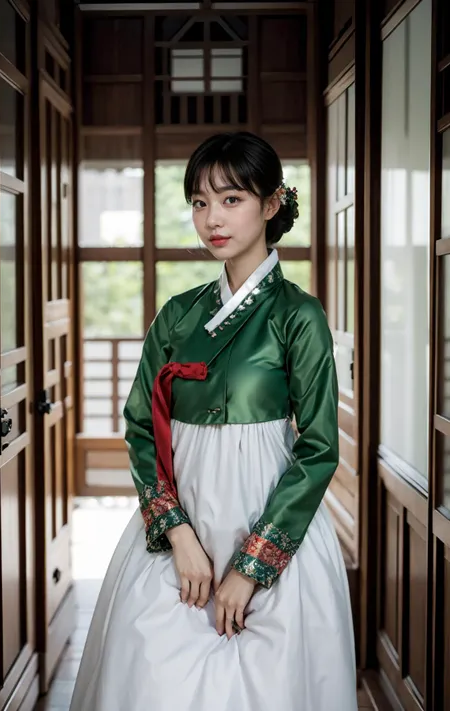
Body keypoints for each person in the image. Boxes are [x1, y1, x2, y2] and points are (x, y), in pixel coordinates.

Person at [69, 131, 358, 711]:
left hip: (272, 527)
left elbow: (320, 447)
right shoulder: (177, 315)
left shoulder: (297, 315)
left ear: (272, 204)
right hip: (181, 526)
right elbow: (142, 426)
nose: (211, 220)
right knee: (150, 676)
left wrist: (251, 567)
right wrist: (177, 534)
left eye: (231, 200)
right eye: (200, 202)